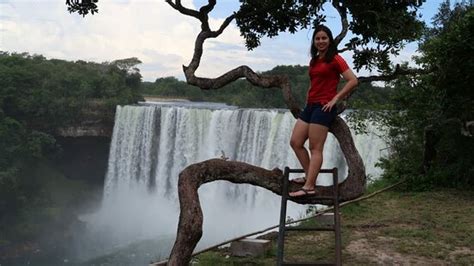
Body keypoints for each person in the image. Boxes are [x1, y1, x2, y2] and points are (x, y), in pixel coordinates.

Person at [289, 25, 358, 197]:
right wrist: (307, 99)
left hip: (324, 107)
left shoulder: (335, 59)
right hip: (311, 106)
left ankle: (310, 186)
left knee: (315, 148)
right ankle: (309, 177)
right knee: (296, 142)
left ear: (329, 40)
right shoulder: (314, 60)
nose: (320, 41)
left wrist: (335, 99)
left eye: (324, 38)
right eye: (317, 38)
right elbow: (314, 83)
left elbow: (352, 80)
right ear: (314, 41)